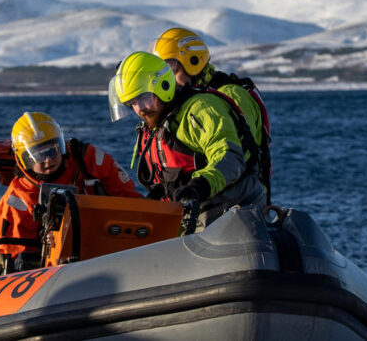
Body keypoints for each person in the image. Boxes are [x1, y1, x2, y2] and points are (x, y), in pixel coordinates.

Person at [108, 51, 266, 229]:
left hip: (232, 211)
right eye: (132, 103)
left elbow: (229, 157)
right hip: (193, 218)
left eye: (144, 98)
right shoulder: (159, 125)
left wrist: (199, 186)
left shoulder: (200, 110)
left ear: (164, 86)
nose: (141, 109)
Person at [0, 111, 140, 273]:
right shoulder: (19, 198)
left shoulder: (90, 161)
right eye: (38, 155)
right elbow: (17, 258)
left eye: (52, 150)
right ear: (24, 158)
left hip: (109, 248)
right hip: (53, 271)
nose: (48, 159)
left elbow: (130, 201)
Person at [152, 27, 272, 199]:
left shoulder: (231, 95)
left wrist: (200, 186)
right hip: (206, 204)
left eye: (171, 71)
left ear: (193, 63)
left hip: (240, 204)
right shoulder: (188, 103)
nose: (167, 80)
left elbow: (238, 153)